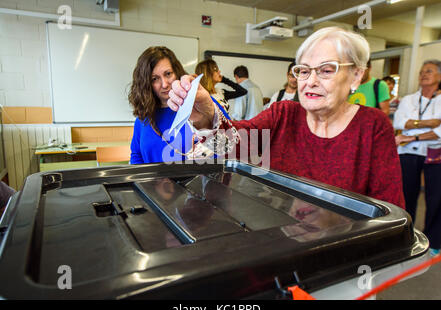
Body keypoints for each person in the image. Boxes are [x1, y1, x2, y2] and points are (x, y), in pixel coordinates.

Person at [168, 27, 405, 209]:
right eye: (303, 70)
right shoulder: (284, 114)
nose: (310, 81)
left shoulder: (373, 126)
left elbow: (389, 209)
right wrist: (206, 114)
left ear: (356, 76)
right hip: (280, 240)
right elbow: (235, 145)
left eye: (326, 70)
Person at [393, 59, 441, 257]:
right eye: (422, 71)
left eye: (429, 71)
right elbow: (399, 121)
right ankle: (406, 237)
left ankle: (435, 240)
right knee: (406, 195)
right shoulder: (409, 99)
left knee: (436, 198)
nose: (423, 74)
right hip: (408, 153)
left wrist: (413, 132)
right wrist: (430, 122)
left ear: (439, 76)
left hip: (435, 153)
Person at [128, 46, 193, 164]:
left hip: (192, 182)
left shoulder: (196, 107)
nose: (164, 84)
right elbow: (136, 156)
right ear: (146, 84)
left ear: (177, 73)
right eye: (154, 79)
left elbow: (227, 144)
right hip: (152, 182)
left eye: (168, 74)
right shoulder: (143, 118)